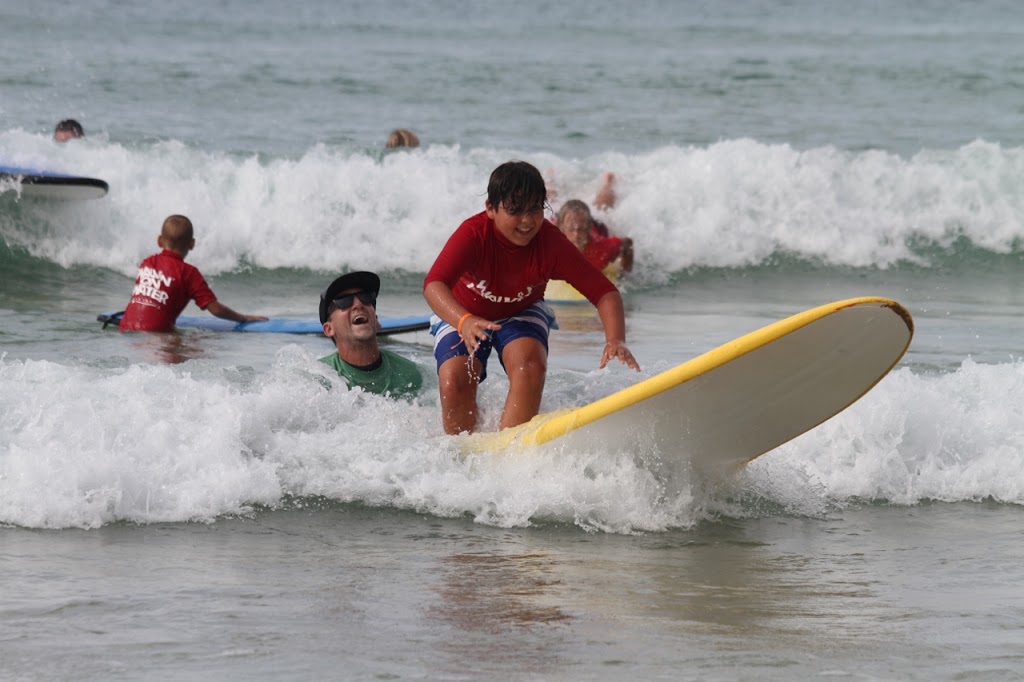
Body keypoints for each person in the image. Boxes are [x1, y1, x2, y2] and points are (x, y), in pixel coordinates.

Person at [423, 160, 640, 435]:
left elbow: (604, 292)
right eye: (515, 211)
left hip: (521, 310)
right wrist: (463, 321)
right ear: (491, 208)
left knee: (530, 367)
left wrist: (615, 338)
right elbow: (434, 284)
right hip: (462, 311)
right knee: (455, 380)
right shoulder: (473, 234)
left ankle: (511, 447)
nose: (527, 221)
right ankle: (460, 449)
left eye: (535, 209)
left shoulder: (551, 243)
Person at [119, 214, 267, 332]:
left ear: (159, 240)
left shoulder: (148, 262)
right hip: (157, 336)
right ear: (192, 244)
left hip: (126, 329)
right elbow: (215, 309)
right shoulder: (189, 273)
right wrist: (243, 318)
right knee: (205, 350)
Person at [318, 271, 424, 398]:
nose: (358, 304)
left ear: (376, 320)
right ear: (329, 329)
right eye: (344, 301)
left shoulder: (410, 374)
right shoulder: (320, 378)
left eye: (366, 297)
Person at [555, 199, 634, 273]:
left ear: (589, 229)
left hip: (597, 227)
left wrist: (625, 272)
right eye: (571, 230)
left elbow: (627, 243)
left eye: (581, 230)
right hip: (563, 221)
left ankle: (608, 184)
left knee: (603, 208)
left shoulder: (601, 247)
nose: (576, 235)